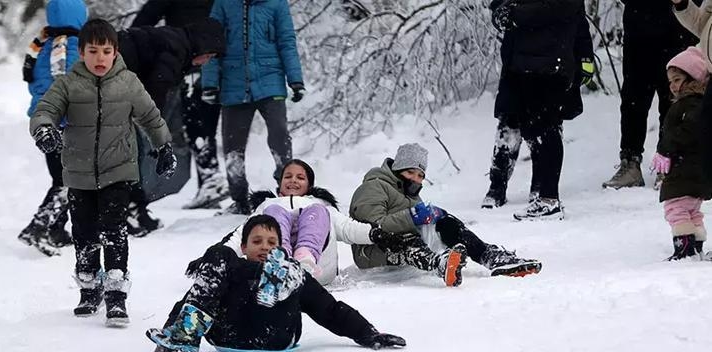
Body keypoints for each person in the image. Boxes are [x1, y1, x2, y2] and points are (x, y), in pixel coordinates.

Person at [29, 19, 177, 326]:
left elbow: (150, 116)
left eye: (106, 51)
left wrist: (164, 146)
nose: (100, 58)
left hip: (118, 171)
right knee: (83, 233)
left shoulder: (128, 83)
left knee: (114, 230)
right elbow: (45, 109)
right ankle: (88, 288)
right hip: (79, 173)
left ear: (115, 52)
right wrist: (44, 129)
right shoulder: (68, 84)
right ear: (81, 52)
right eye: (93, 51)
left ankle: (116, 295)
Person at [144, 214, 406, 352]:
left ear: (280, 248)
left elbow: (329, 309)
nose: (265, 246)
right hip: (229, 333)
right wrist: (170, 334)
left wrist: (368, 333)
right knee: (218, 256)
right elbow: (195, 296)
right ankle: (186, 333)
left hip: (275, 331)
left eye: (272, 242)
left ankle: (274, 287)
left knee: (291, 272)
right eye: (257, 241)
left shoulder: (291, 272)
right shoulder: (231, 267)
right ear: (244, 247)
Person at [350, 143, 543, 282]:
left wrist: (436, 220)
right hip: (373, 252)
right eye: (410, 173)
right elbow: (371, 228)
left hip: (403, 246)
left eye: (420, 176)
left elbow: (413, 221)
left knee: (447, 223)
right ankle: (440, 264)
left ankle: (490, 256)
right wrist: (412, 216)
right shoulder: (374, 187)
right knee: (409, 240)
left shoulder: (411, 194)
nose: (416, 180)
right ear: (397, 169)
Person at [215, 159, 416, 286]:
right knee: (270, 215)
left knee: (317, 212)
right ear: (280, 184)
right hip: (271, 272)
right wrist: (217, 256)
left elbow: (349, 228)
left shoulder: (321, 206)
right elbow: (243, 234)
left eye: (300, 177)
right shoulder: (268, 205)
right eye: (288, 176)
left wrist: (378, 235)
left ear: (309, 186)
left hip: (316, 271)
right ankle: (281, 258)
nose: (293, 180)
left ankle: (304, 256)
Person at [117, 18, 225, 236]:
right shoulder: (175, 48)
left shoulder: (177, 43)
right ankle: (126, 211)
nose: (206, 62)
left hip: (117, 84)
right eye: (210, 56)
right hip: (110, 83)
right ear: (203, 45)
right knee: (130, 153)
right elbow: (158, 84)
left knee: (132, 153)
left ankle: (135, 210)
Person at [482, 4, 593, 213]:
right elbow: (499, 8)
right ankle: (499, 186)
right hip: (518, 62)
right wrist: (501, 13)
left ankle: (545, 192)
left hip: (549, 63)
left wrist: (585, 55)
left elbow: (563, 12)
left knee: (544, 127)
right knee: (512, 122)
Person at [202, 0, 305, 215]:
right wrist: (210, 83)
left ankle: (288, 197)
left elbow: (287, 41)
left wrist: (295, 79)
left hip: (271, 81)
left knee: (280, 138)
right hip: (233, 84)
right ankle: (240, 201)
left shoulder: (277, 4)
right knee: (233, 149)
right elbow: (210, 43)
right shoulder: (223, 4)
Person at [131, 0, 230, 210]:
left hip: (189, 57)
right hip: (216, 59)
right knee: (206, 122)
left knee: (194, 122)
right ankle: (210, 182)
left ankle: (211, 179)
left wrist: (137, 41)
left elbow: (148, 15)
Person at [602, 0, 697, 189]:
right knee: (633, 101)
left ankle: (669, 163)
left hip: (677, 31)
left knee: (673, 101)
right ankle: (630, 161)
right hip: (638, 32)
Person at [18, 0, 87, 257]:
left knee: (60, 177)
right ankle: (39, 227)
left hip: (42, 122)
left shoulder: (41, 46)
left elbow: (36, 86)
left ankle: (56, 230)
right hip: (64, 123)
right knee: (69, 180)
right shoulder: (74, 48)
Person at [651, 46, 711, 260]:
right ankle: (696, 245)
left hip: (686, 169)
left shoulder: (692, 106)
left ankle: (684, 246)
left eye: (677, 80)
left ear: (693, 78)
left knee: (675, 208)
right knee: (691, 210)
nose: (673, 86)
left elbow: (687, 132)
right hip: (694, 172)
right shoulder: (695, 104)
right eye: (670, 81)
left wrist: (665, 148)